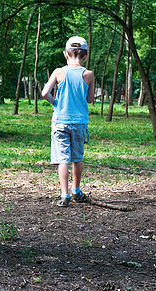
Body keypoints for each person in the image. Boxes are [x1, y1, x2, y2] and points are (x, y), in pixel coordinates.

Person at [41, 36, 95, 207]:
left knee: (63, 159)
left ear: (66, 54)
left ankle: (64, 196)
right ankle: (76, 191)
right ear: (85, 56)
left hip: (60, 121)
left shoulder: (58, 72)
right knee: (77, 158)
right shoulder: (88, 74)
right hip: (79, 122)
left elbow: (44, 93)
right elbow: (90, 99)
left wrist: (56, 103)